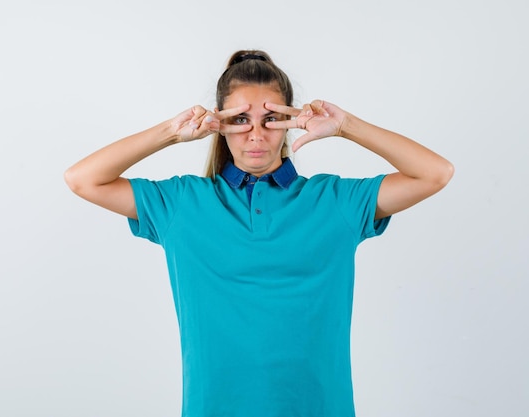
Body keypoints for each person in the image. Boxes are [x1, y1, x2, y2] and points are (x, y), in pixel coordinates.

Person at [64, 50, 454, 417]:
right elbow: (82, 180)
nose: (255, 133)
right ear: (220, 125)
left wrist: (347, 126)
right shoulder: (183, 203)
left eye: (270, 119)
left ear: (289, 121)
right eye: (239, 119)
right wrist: (170, 131)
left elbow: (435, 173)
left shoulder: (333, 201)